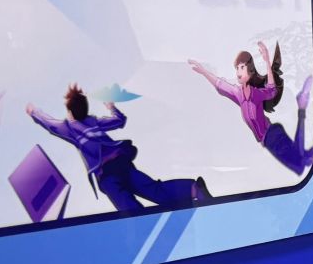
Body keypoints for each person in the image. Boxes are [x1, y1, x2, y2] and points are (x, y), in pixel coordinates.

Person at [27, 85, 207, 213]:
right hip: (117, 166)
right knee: (147, 190)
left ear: (70, 112)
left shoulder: (72, 127)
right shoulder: (92, 122)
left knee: (131, 200)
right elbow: (119, 121)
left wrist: (34, 112)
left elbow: (50, 124)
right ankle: (191, 189)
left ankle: (191, 190)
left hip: (110, 172)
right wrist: (112, 108)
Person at [191, 39, 313, 177]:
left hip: (271, 137)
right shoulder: (238, 93)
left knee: (299, 166)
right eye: (237, 68)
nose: (238, 72)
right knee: (302, 160)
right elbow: (220, 85)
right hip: (270, 137)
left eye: (242, 67)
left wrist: (267, 60)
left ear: (250, 71)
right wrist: (203, 71)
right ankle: (304, 111)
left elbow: (272, 90)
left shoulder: (255, 94)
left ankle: (302, 107)